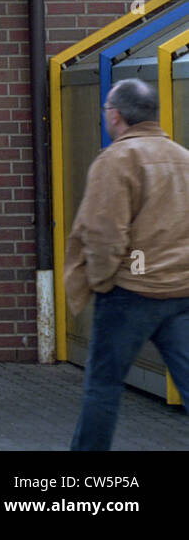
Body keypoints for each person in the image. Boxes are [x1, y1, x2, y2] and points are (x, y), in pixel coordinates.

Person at [64, 78, 189, 450]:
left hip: (129, 294)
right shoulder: (183, 159)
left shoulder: (116, 160)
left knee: (103, 387)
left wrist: (102, 281)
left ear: (115, 115)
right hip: (181, 292)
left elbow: (104, 233)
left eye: (106, 109)